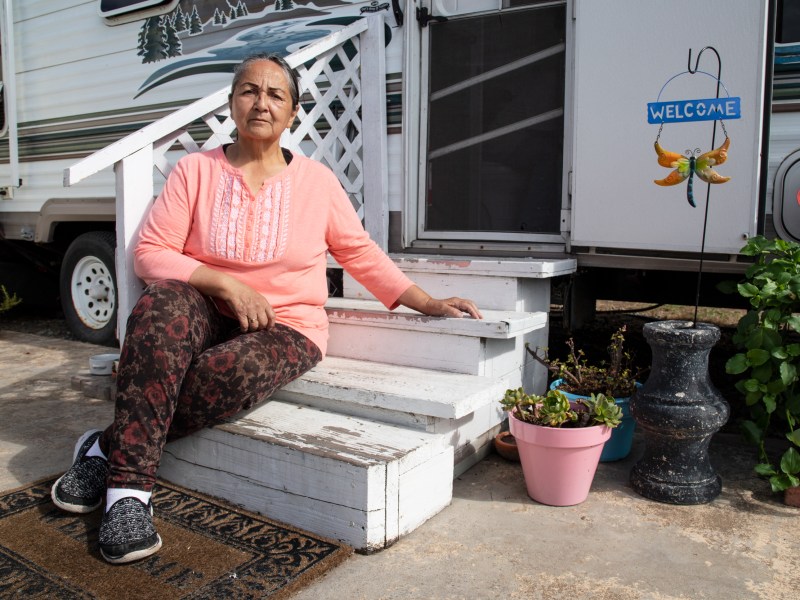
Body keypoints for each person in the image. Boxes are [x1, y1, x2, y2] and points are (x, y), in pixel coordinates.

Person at [50, 53, 482, 564]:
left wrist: (425, 301)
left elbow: (359, 252)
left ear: (293, 112)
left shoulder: (317, 183)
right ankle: (129, 495)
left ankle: (104, 449)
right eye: (249, 91)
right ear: (233, 104)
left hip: (289, 324)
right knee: (158, 309)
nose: (261, 103)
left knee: (229, 371)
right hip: (204, 307)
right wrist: (224, 284)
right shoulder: (195, 171)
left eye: (276, 94)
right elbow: (150, 252)